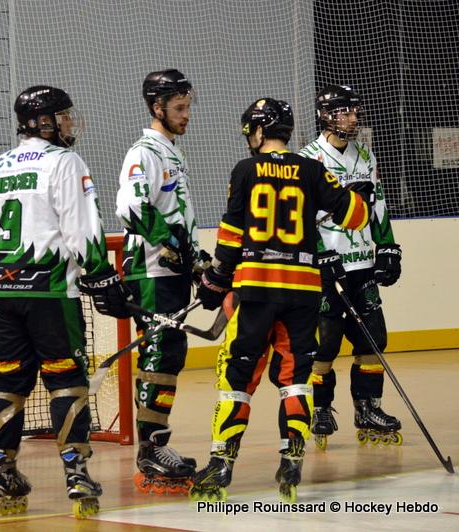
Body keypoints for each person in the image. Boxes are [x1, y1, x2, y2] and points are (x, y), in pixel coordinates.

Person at [189, 98, 372, 503]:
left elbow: (232, 233)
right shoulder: (312, 168)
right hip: (303, 292)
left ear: (257, 131)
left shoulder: (246, 170)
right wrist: (362, 196)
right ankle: (291, 461)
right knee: (295, 377)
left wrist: (216, 280)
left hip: (255, 289)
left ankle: (221, 464)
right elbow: (356, 217)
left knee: (238, 378)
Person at [0, 85, 131, 518]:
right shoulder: (65, 162)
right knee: (66, 381)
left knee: (5, 382)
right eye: (61, 116)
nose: (67, 123)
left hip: (3, 291)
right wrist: (103, 279)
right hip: (50, 290)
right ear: (42, 120)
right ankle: (77, 473)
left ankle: (2, 473)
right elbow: (82, 228)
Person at [115, 69, 205, 493]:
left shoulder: (171, 151)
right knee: (160, 351)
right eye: (179, 108)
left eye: (188, 106)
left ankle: (155, 442)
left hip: (170, 271)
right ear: (157, 108)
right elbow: (130, 206)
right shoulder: (144, 151)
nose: (187, 115)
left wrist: (197, 258)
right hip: (150, 271)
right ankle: (151, 448)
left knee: (170, 352)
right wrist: (169, 242)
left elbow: (177, 212)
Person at [299, 85, 403, 449]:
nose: (353, 119)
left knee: (374, 338)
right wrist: (318, 253)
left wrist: (387, 245)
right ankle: (321, 408)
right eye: (345, 112)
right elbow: (299, 215)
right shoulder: (308, 159)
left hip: (361, 263)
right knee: (324, 346)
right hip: (326, 268)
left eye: (355, 112)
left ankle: (368, 407)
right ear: (326, 116)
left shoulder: (365, 156)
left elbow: (377, 205)